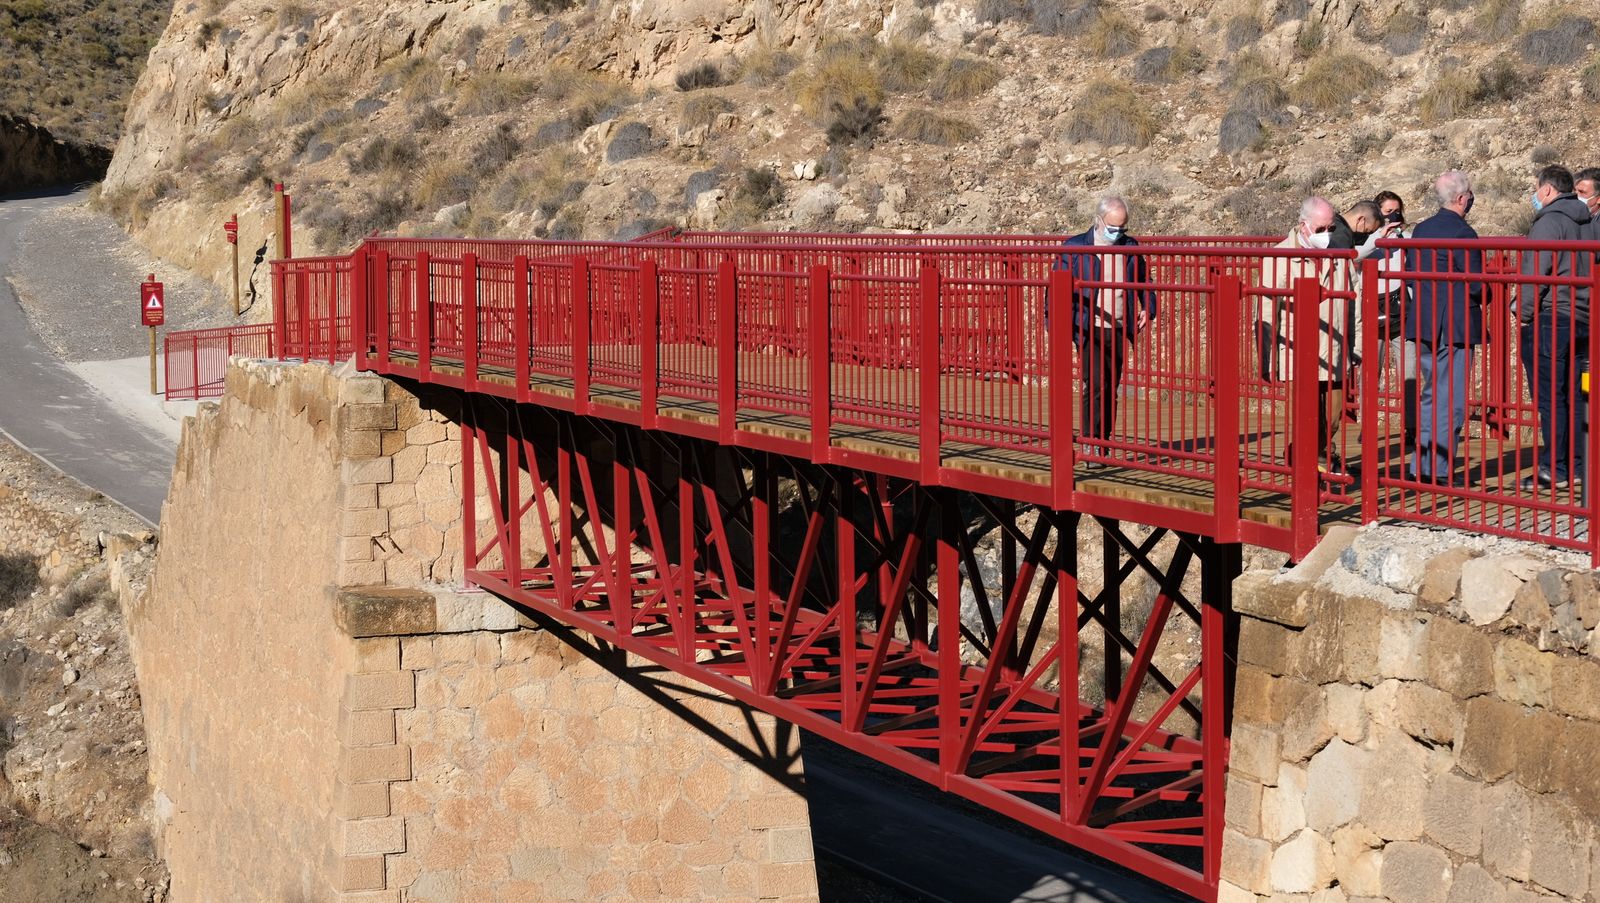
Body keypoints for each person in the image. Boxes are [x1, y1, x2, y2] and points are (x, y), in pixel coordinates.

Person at [1053, 196, 1156, 456]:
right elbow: (1055, 287)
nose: (1117, 233)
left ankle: (1104, 441)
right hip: (1090, 326)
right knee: (1096, 384)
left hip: (1119, 326)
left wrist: (1148, 307)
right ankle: (1091, 441)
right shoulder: (1075, 248)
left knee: (1111, 386)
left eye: (1122, 228)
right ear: (1098, 220)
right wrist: (1055, 319)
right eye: (1112, 227)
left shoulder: (1130, 247)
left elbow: (1144, 280)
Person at [1260, 196, 1354, 472]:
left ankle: (1308, 455)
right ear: (1304, 226)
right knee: (1306, 418)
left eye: (1331, 228)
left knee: (1333, 417)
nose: (1327, 234)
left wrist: (1356, 348)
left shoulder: (1340, 255)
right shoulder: (1279, 256)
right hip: (1297, 351)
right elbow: (1267, 310)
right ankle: (1310, 469)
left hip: (1334, 348)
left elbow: (1355, 305)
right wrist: (1268, 357)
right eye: (1321, 229)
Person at [1406, 170, 1484, 486]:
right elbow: (1476, 284)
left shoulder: (1421, 229)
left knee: (1431, 395)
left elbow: (1411, 273)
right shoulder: (1464, 233)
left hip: (1424, 321)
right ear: (1462, 198)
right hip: (1455, 325)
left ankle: (1420, 465)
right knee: (1451, 399)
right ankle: (1437, 469)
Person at [1518, 164, 1593, 490]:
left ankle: (1554, 468)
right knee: (1574, 397)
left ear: (1547, 189)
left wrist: (1523, 312)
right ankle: (1576, 465)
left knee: (1550, 398)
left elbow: (1535, 273)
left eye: (1538, 189)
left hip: (1552, 318)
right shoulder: (1587, 223)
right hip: (1582, 318)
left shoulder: (1549, 222)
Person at [1370, 192, 1422, 452]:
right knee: (1370, 375)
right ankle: (1368, 427)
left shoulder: (1408, 239)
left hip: (1403, 313)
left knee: (1409, 374)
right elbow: (1353, 257)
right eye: (1388, 212)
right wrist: (1377, 237)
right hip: (1372, 313)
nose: (1394, 216)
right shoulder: (1368, 241)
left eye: (1397, 210)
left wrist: (1400, 238)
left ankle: (1412, 429)